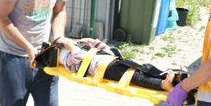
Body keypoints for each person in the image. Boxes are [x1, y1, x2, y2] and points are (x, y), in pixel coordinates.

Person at [34, 39, 184, 91]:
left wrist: (90, 41)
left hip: (107, 60)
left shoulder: (70, 49)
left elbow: (103, 48)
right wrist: (70, 45)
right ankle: (163, 84)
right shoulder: (64, 58)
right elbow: (79, 57)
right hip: (102, 68)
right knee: (132, 74)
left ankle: (170, 76)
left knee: (141, 67)